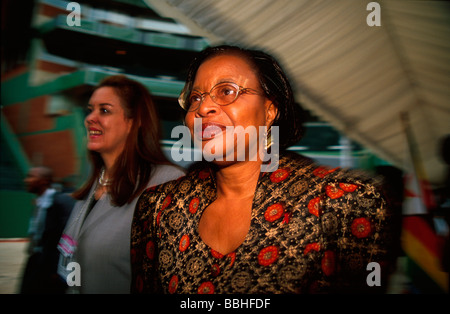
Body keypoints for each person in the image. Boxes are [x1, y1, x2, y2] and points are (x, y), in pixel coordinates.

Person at [130, 45, 394, 294]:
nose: (202, 107)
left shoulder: (339, 202)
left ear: (269, 111)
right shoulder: (160, 208)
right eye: (195, 97)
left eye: (226, 91)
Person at [58, 75, 185, 294]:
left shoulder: (167, 184)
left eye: (104, 110)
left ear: (134, 121)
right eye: (91, 109)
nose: (90, 118)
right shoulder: (91, 188)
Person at [20, 166, 75, 294]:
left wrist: (58, 269)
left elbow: (69, 236)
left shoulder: (60, 202)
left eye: (31, 176)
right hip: (35, 260)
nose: (26, 180)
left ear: (43, 181)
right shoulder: (39, 202)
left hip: (50, 267)